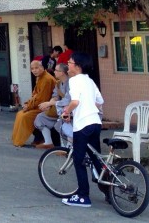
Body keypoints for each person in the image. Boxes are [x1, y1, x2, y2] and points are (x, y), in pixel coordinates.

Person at [61, 51, 105, 208]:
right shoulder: (89, 81)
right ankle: (108, 191)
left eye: (70, 62)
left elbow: (75, 101)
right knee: (95, 158)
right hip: (95, 123)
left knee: (78, 160)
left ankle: (82, 196)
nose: (68, 64)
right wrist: (88, 108)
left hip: (83, 125)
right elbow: (100, 101)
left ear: (77, 66)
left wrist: (66, 111)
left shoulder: (74, 80)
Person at [11, 60, 57, 147]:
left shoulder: (47, 79)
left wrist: (29, 106)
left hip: (45, 106)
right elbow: (35, 94)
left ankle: (21, 140)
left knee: (25, 116)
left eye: (36, 68)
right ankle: (18, 139)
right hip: (37, 105)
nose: (34, 70)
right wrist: (27, 103)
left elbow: (42, 99)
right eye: (32, 69)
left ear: (42, 68)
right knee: (20, 114)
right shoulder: (40, 78)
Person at [33, 62, 71, 148]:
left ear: (62, 72)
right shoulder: (58, 83)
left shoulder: (71, 83)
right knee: (40, 117)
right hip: (58, 109)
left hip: (69, 110)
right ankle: (48, 142)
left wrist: (50, 103)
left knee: (64, 125)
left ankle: (68, 147)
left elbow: (68, 100)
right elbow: (55, 96)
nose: (54, 72)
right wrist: (49, 104)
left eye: (56, 70)